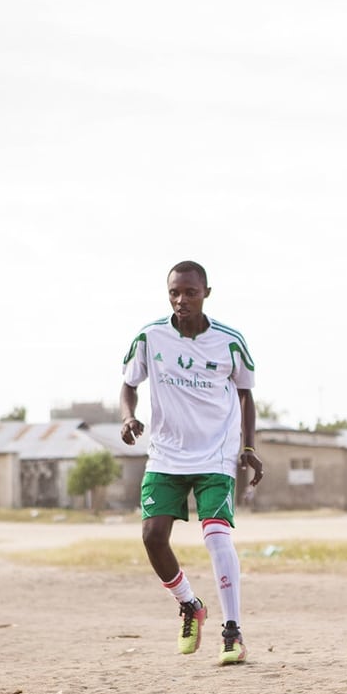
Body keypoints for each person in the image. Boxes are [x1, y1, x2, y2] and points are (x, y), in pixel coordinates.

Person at [120, 260, 263, 665]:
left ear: (206, 293)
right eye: (174, 293)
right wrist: (127, 417)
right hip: (165, 454)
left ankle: (232, 632)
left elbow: (246, 395)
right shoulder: (150, 337)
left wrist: (247, 448)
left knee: (217, 536)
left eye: (190, 292)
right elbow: (129, 385)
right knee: (152, 537)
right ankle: (189, 605)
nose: (181, 300)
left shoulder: (230, 341)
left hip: (215, 454)